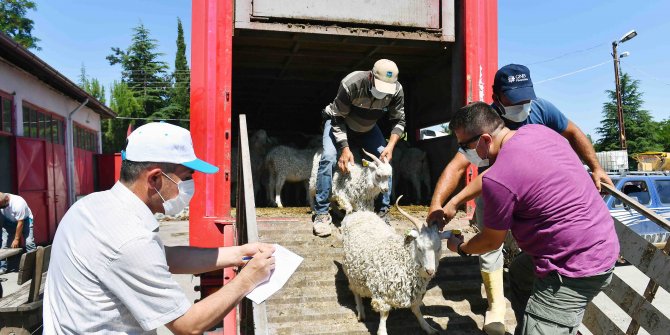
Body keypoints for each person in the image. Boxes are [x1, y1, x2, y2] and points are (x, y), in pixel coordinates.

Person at [426, 64, 613, 334]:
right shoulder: (538, 133)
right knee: (520, 273)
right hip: (601, 243)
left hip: (574, 266)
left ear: (485, 139)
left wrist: (462, 248)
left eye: (465, 147)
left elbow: (491, 240)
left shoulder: (499, 178)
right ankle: (524, 321)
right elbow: (496, 174)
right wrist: (450, 202)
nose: (464, 154)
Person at [43, 122, 276, 334]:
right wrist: (248, 279)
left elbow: (163, 257)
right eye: (186, 177)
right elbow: (189, 324)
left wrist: (238, 253)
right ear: (155, 179)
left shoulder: (91, 206)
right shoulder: (130, 239)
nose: (189, 186)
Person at [313, 59, 406, 237]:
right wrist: (344, 148)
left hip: (368, 127)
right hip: (339, 122)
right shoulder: (352, 84)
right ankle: (322, 213)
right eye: (379, 87)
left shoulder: (397, 90)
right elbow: (337, 118)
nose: (381, 93)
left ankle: (382, 213)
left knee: (385, 163)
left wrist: (391, 145)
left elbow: (399, 120)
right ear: (371, 76)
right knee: (328, 158)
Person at [0, 192, 36, 274]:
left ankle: (34, 267)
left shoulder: (18, 203)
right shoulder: (1, 200)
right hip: (9, 221)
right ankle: (3, 267)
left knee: (29, 242)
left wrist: (16, 239)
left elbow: (20, 223)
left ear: (7, 199)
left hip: (25, 220)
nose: (1, 208)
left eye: (2, 206)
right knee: (4, 244)